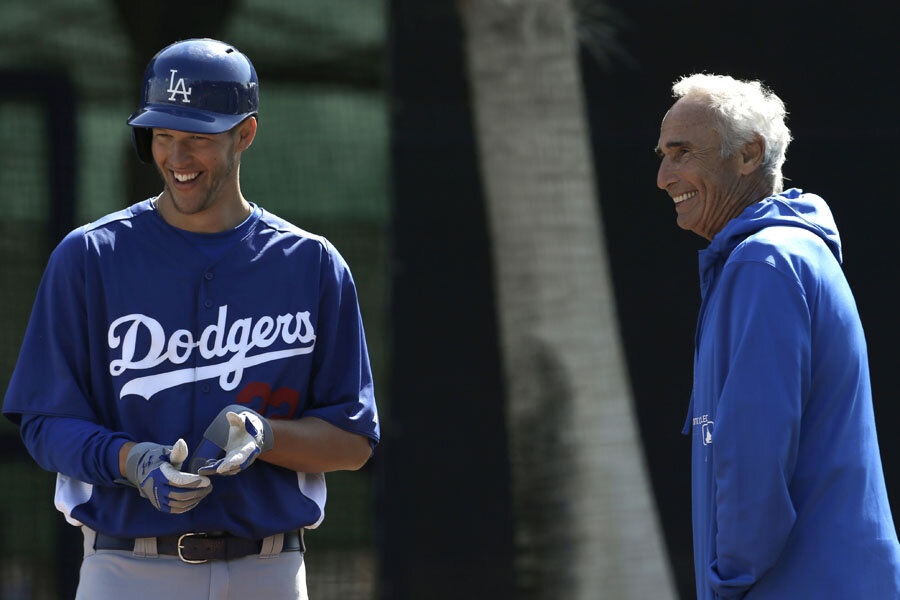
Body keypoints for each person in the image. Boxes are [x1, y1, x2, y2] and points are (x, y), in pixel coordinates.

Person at [2, 38, 379, 600]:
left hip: (268, 571)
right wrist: (131, 461)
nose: (177, 159)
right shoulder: (90, 257)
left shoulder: (312, 265)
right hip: (127, 570)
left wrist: (265, 435)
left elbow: (353, 440)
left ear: (244, 134)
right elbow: (42, 420)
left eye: (197, 138)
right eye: (163, 135)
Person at [655, 73, 900, 598]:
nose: (662, 177)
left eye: (681, 153)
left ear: (749, 155)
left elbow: (753, 455)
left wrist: (728, 584)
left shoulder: (762, 263)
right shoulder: (777, 256)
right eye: (662, 155)